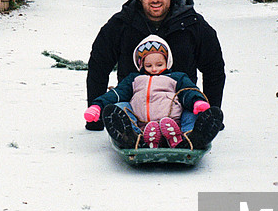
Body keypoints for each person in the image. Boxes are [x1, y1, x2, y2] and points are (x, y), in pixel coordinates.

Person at [86, 0, 225, 142]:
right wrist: (95, 119)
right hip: (135, 106)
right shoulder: (121, 25)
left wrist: (211, 110)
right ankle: (129, 134)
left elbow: (214, 68)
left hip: (181, 106)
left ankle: (193, 135)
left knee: (190, 116)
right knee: (122, 109)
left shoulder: (193, 24)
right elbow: (98, 65)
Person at [84, 35, 222, 149]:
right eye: (148, 65)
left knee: (190, 110)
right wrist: (98, 106)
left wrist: (198, 101)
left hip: (175, 124)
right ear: (141, 64)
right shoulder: (135, 79)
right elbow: (116, 94)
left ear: (167, 62)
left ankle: (190, 137)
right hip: (143, 126)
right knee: (119, 106)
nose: (154, 69)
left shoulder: (176, 77)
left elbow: (189, 92)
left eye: (159, 64)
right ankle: (133, 137)